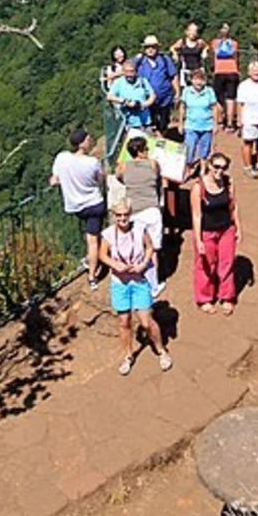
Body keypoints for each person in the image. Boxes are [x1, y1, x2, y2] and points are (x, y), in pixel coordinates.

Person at [101, 199, 173, 376]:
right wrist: (114, 264)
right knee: (124, 322)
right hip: (120, 283)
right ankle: (127, 355)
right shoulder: (108, 234)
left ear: (130, 214)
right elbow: (102, 254)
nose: (123, 219)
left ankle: (161, 350)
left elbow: (149, 248)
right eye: (119, 216)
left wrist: (144, 264)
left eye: (126, 215)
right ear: (114, 216)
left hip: (139, 280)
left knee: (146, 321)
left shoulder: (140, 228)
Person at [51, 128, 106, 293]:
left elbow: (55, 179)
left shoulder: (61, 158)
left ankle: (90, 259)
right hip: (94, 205)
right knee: (92, 241)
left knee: (89, 237)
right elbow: (100, 179)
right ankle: (92, 276)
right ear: (81, 143)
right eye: (88, 139)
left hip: (76, 207)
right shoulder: (92, 162)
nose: (90, 140)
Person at [189, 153, 241, 314]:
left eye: (223, 167)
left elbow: (233, 206)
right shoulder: (199, 188)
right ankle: (204, 297)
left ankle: (226, 296)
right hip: (207, 231)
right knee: (206, 265)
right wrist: (198, 240)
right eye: (216, 166)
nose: (219, 171)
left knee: (227, 263)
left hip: (226, 229)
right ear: (209, 165)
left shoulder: (228, 182)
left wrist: (238, 227)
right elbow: (197, 215)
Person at [114, 135, 165, 297]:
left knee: (138, 248)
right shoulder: (152, 164)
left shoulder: (122, 167)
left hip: (134, 211)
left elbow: (120, 179)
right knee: (153, 249)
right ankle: (153, 285)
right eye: (146, 149)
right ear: (141, 151)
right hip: (151, 209)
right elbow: (157, 176)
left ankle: (135, 279)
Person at [180, 67, 221, 175]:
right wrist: (180, 123)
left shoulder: (209, 91)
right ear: (191, 80)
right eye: (195, 79)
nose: (198, 82)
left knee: (205, 150)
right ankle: (188, 169)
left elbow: (214, 108)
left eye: (201, 79)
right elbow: (182, 107)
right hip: (191, 125)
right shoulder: (186, 91)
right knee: (189, 149)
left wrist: (215, 124)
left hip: (206, 125)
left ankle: (203, 170)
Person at [135, 34, 179, 135]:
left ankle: (162, 135)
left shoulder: (165, 59)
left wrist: (177, 92)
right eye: (147, 47)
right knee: (151, 121)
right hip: (147, 99)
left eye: (153, 47)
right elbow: (127, 68)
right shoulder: (140, 61)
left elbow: (173, 75)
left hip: (165, 97)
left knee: (164, 120)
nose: (150, 49)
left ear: (157, 48)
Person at [236, 60, 258, 177]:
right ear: (249, 72)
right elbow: (240, 104)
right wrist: (239, 120)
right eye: (254, 71)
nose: (256, 73)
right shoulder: (243, 85)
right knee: (248, 143)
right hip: (249, 118)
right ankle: (248, 166)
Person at [105, 59, 156, 133]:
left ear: (136, 71)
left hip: (145, 121)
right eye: (126, 71)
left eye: (132, 71)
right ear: (123, 72)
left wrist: (143, 104)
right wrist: (124, 101)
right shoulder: (118, 83)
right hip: (129, 123)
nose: (129, 74)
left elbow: (153, 95)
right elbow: (109, 96)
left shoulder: (143, 81)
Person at [210, 23, 241, 128]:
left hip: (219, 71)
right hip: (232, 71)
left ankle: (219, 120)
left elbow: (215, 54)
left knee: (219, 97)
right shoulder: (234, 44)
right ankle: (229, 123)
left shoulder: (215, 43)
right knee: (230, 98)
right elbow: (236, 57)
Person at [172, 22, 208, 87]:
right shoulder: (182, 42)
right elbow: (172, 48)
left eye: (195, 31)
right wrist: (175, 54)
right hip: (186, 70)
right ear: (186, 32)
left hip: (198, 69)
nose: (193, 33)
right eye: (191, 30)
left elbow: (207, 46)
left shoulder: (199, 42)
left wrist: (204, 51)